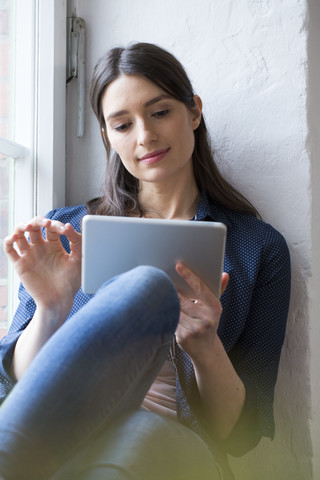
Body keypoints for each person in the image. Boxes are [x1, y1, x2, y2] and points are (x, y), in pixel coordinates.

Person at [0, 42, 291, 480]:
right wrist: (52, 308)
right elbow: (14, 385)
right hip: (70, 437)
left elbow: (242, 435)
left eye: (159, 113)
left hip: (178, 447)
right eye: (122, 124)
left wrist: (205, 346)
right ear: (107, 137)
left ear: (193, 112)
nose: (144, 136)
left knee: (147, 294)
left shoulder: (257, 248)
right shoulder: (66, 231)